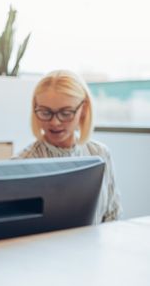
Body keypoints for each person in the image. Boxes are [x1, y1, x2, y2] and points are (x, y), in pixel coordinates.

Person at [16, 69, 121, 222]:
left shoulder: (100, 154)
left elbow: (113, 214)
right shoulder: (22, 163)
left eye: (65, 113)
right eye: (45, 112)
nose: (55, 122)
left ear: (83, 110)